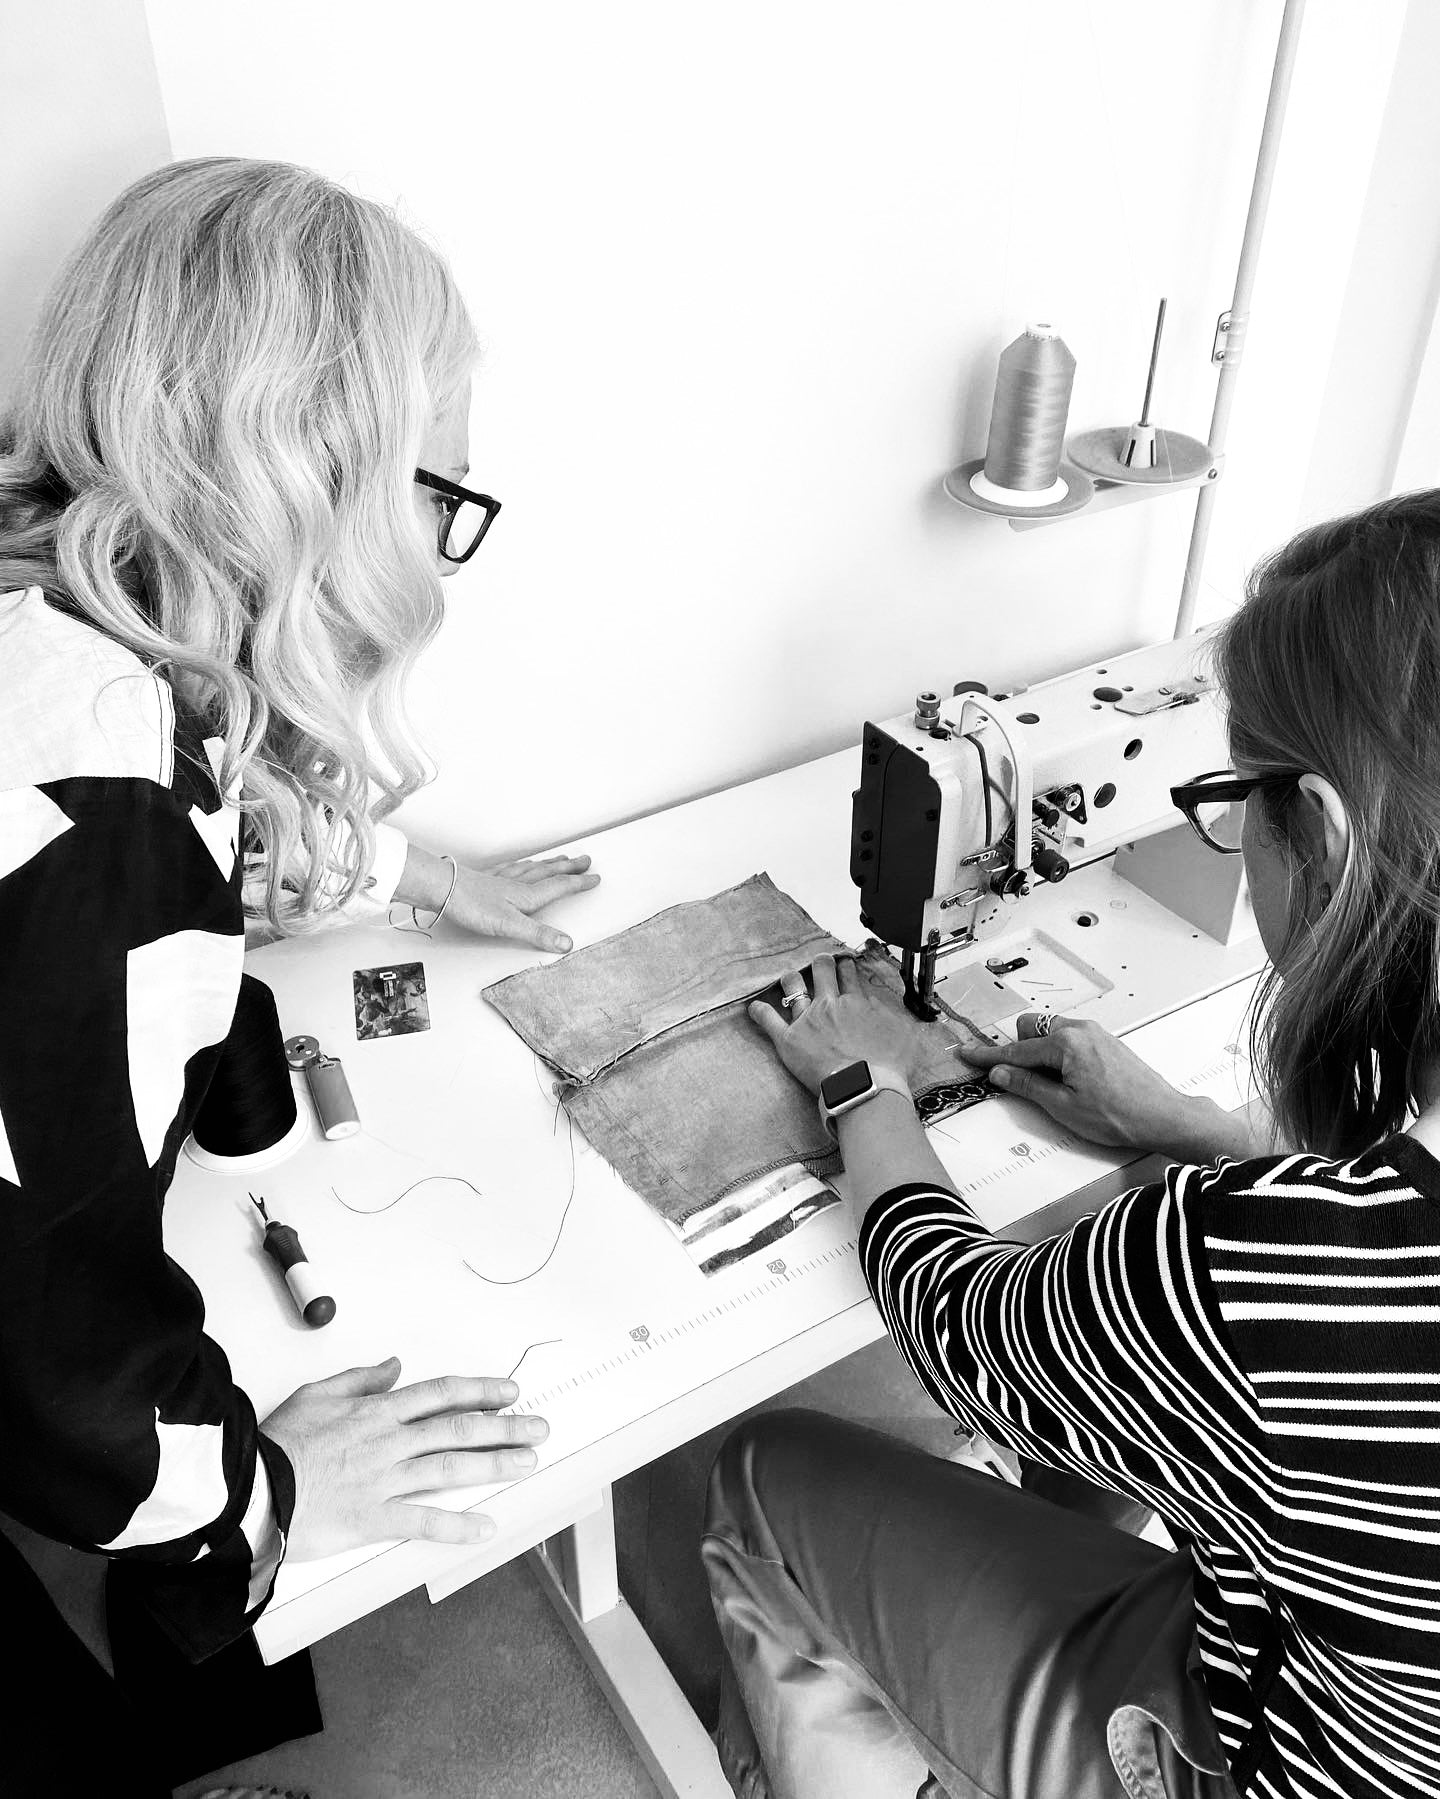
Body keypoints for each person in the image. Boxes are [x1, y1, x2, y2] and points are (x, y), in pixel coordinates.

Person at [0, 158, 596, 1792]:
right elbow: (46, 1362)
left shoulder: (51, 601)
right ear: (310, 477)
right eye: (440, 492)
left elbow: (220, 781)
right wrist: (264, 1493)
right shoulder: (102, 839)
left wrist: (428, 875)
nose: (443, 543)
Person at [706, 490, 1440, 1799]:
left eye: (1235, 800)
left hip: (1274, 1763)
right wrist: (1189, 1129)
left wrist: (862, 1084)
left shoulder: (1260, 1267)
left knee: (765, 1468)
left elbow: (956, 1324)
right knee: (1089, 1452)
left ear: (1316, 833)